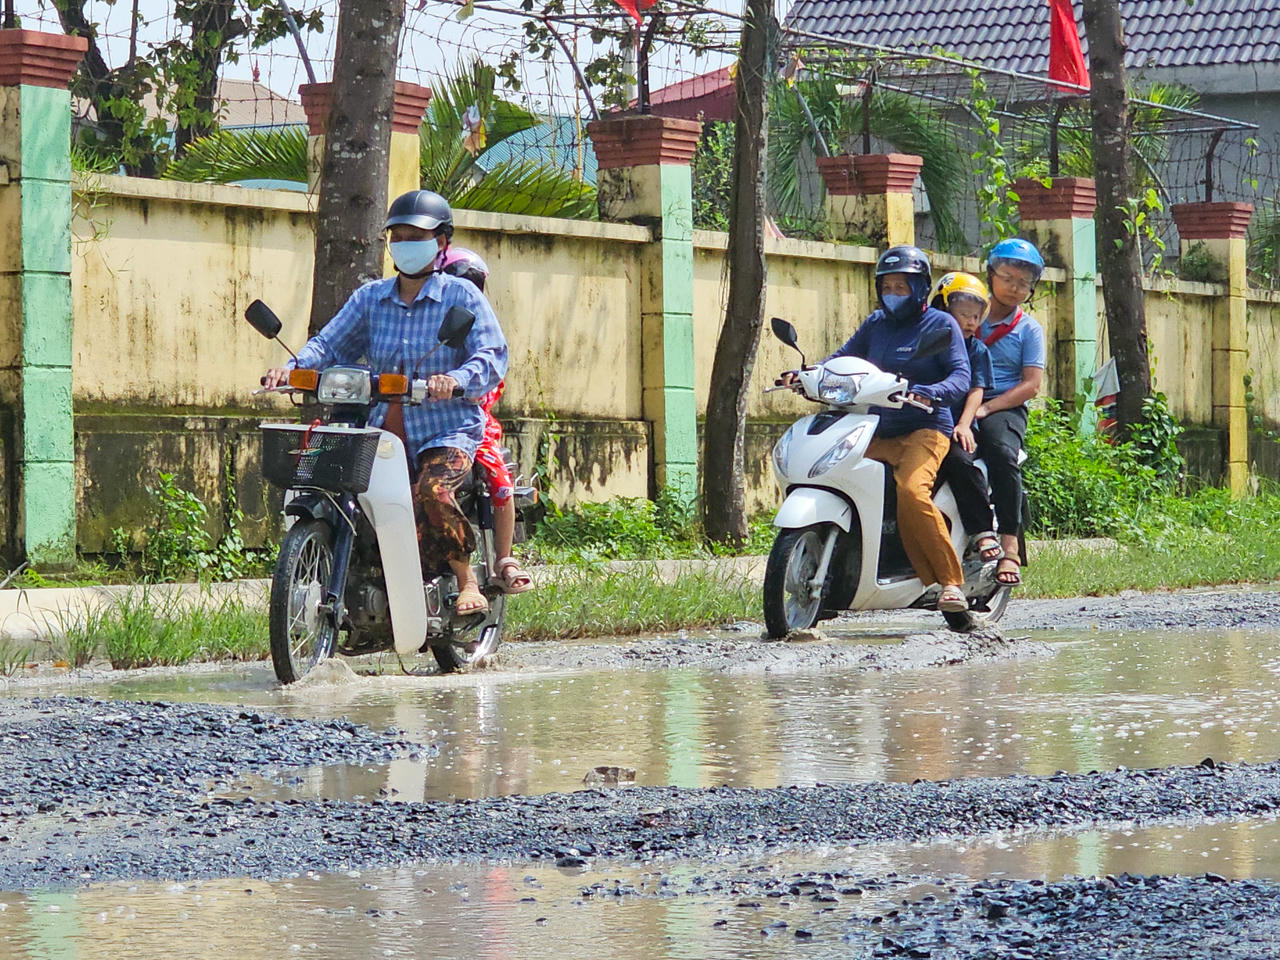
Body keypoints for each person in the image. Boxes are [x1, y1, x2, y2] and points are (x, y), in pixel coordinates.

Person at [265, 189, 508, 615]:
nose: (406, 243)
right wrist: (292, 367)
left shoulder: (463, 297)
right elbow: (329, 343)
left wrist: (455, 379)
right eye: (398, 234)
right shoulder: (370, 298)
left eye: (418, 234)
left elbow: (492, 356)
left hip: (445, 430)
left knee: (432, 491)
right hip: (379, 429)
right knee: (332, 487)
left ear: (441, 242)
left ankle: (468, 581)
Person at [791, 245, 972, 613]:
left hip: (924, 428)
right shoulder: (877, 324)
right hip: (875, 428)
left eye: (901, 287)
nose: (892, 294)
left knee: (911, 490)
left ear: (921, 288)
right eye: (886, 286)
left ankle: (950, 582)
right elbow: (844, 357)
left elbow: (961, 376)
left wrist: (930, 393)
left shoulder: (940, 325)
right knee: (834, 472)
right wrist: (808, 374)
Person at [437, 246, 532, 595]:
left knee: (499, 479)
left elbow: (490, 377)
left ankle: (504, 558)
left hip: (471, 423)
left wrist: (461, 386)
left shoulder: (484, 331)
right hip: (421, 419)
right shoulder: (422, 322)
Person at [976, 237, 1048, 586]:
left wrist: (988, 406)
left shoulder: (1029, 330)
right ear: (991, 275)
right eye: (1008, 278)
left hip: (1003, 407)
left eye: (1024, 283)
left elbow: (1031, 385)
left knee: (1001, 454)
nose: (1015, 288)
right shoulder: (967, 315)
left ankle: (1010, 548)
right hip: (963, 403)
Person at [930, 272, 1001, 564]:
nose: (971, 322)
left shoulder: (977, 351)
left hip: (957, 428)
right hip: (922, 424)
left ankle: (983, 530)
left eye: (976, 316)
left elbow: (976, 391)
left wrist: (963, 424)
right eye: (963, 315)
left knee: (959, 462)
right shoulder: (926, 343)